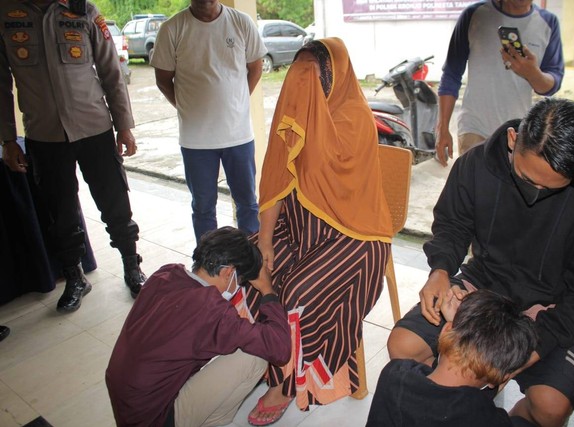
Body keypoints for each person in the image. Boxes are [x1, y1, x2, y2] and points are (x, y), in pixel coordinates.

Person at [387, 98, 574, 427]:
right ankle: (456, 411)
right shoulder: (475, 164)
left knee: (551, 407)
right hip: (483, 284)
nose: (536, 194)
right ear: (513, 140)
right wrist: (440, 270)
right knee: (403, 345)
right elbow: (452, 225)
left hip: (552, 307)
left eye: (551, 188)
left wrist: (518, 360)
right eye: (527, 180)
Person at [244, 38, 393, 425]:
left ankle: (288, 383)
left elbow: (348, 202)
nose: (301, 91)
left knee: (296, 291)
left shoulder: (354, 121)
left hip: (356, 238)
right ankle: (262, 359)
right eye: (297, 80)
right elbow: (276, 180)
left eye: (310, 81)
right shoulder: (297, 113)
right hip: (301, 228)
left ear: (334, 77)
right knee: (247, 262)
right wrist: (263, 244)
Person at [0, 0, 146, 312]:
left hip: (94, 128)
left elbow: (111, 72)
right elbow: (1, 84)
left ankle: (132, 267)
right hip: (44, 134)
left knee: (115, 202)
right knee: (60, 212)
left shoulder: (85, 11)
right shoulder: (6, 14)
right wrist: (8, 139)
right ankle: (75, 276)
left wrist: (124, 126)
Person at [105, 227, 291, 427]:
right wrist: (267, 290)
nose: (239, 286)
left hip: (129, 406)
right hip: (155, 418)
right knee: (254, 357)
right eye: (242, 280)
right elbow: (279, 349)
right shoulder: (209, 308)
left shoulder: (166, 274)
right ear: (228, 272)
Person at [151, 0, 267, 242]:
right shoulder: (172, 29)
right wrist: (186, 107)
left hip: (238, 136)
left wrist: (238, 102)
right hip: (196, 141)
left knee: (247, 202)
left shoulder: (241, 22)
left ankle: (250, 258)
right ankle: (209, 263)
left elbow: (255, 68)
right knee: (203, 207)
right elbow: (163, 80)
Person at [367, 290, 538, 427]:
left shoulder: (394, 375)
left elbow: (436, 387)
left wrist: (451, 329)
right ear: (503, 377)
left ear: (445, 330)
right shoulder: (490, 418)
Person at [435, 0, 564, 165]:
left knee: (508, 189)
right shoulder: (475, 14)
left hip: (518, 132)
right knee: (476, 186)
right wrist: (443, 128)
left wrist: (532, 74)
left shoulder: (548, 22)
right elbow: (451, 74)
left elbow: (551, 85)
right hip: (474, 126)